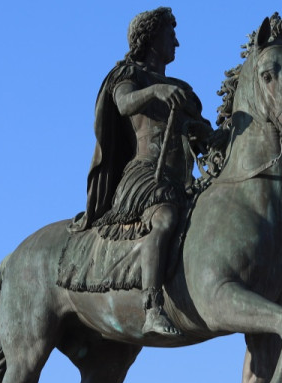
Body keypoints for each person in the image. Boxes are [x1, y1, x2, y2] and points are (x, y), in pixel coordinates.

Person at [70, 7, 212, 337]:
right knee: (163, 219)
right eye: (169, 33)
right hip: (145, 175)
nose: (177, 40)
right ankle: (152, 307)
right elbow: (123, 103)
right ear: (150, 38)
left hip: (182, 179)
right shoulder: (128, 75)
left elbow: (202, 134)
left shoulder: (183, 88)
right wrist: (154, 91)